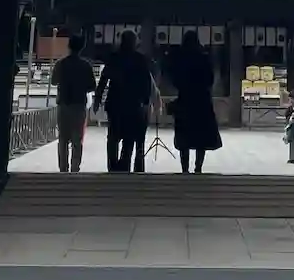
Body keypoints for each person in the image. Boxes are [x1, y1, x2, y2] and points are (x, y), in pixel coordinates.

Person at [95, 30, 155, 173]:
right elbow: (146, 83)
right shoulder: (140, 59)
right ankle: (124, 165)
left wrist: (98, 98)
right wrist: (146, 101)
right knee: (129, 137)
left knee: (113, 137)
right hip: (133, 104)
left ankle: (112, 166)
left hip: (115, 102)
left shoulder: (114, 57)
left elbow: (103, 80)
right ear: (134, 42)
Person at [166, 30, 223, 174]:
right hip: (202, 101)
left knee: (184, 136)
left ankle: (184, 169)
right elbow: (210, 79)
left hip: (184, 99)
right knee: (201, 137)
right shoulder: (204, 58)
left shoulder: (180, 59)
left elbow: (174, 78)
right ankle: (198, 167)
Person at [50, 32, 97, 174]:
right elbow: (92, 86)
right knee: (77, 140)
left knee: (63, 139)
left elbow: (53, 81)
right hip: (79, 105)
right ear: (82, 47)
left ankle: (63, 168)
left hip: (63, 104)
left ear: (69, 46)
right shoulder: (86, 66)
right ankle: (75, 168)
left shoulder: (60, 63)